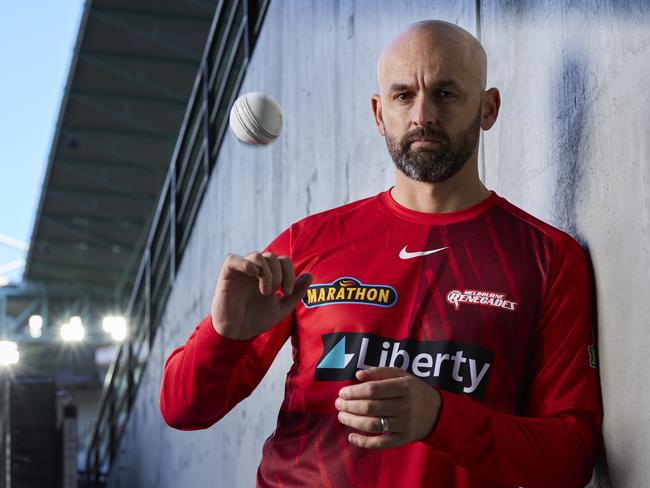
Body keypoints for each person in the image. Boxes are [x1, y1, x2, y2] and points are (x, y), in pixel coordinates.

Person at [160, 19, 602, 488]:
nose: (422, 116)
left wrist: (440, 417)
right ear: (378, 113)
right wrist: (223, 337)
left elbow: (570, 458)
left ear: (488, 108)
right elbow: (183, 410)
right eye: (403, 96)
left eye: (447, 94)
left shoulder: (548, 257)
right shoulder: (308, 244)